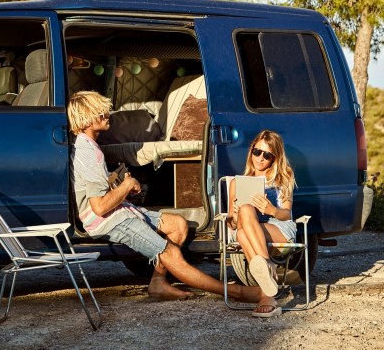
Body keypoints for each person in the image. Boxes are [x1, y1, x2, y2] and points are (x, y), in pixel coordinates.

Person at [68, 90, 262, 303]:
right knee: (171, 254)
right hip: (108, 221)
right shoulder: (89, 152)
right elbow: (99, 207)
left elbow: (96, 189)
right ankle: (236, 293)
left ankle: (158, 283)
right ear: (86, 119)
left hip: (120, 210)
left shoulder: (88, 145)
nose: (107, 115)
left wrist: (116, 180)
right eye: (100, 113)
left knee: (178, 225)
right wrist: (126, 185)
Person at [226, 130, 297, 318]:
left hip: (277, 227)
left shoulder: (283, 178)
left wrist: (271, 209)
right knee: (244, 216)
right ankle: (268, 276)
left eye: (267, 155)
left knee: (244, 228)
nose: (260, 158)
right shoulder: (236, 183)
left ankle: (266, 277)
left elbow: (286, 214)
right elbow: (232, 224)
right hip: (247, 229)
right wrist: (233, 215)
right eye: (257, 152)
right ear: (251, 151)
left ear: (275, 157)